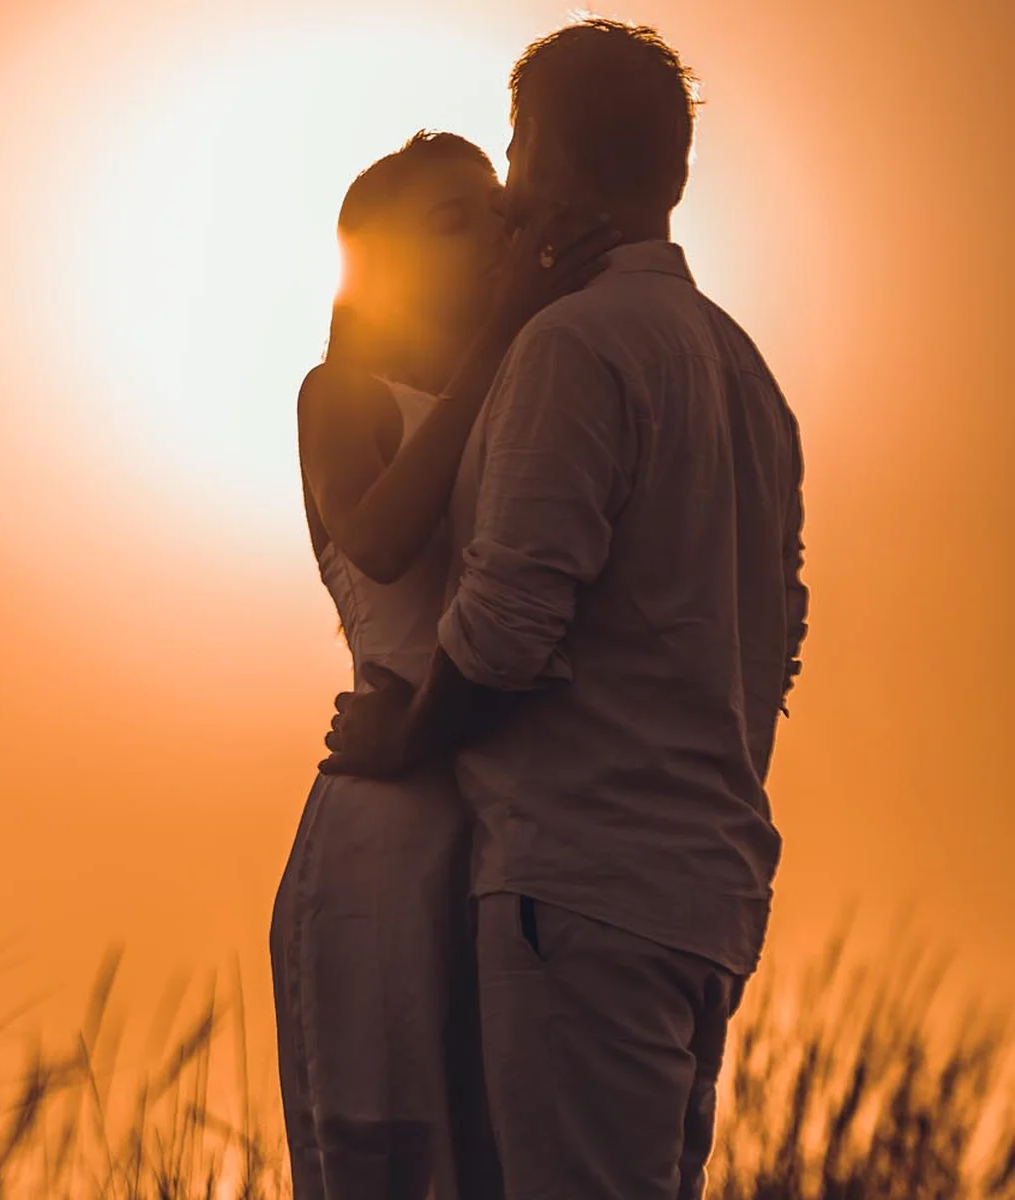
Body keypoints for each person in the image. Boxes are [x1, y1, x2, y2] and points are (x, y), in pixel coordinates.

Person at [319, 19, 810, 1200]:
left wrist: (407, 734)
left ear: (540, 150)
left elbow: (506, 625)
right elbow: (779, 635)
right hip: (708, 886)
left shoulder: (573, 346)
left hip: (580, 880)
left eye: (512, 154)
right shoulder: (747, 371)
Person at [270, 130, 617, 1200]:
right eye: (454, 220)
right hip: (390, 811)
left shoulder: (534, 398)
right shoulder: (342, 392)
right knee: (385, 1138)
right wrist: (500, 338)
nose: (493, 236)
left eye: (495, 213)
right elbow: (379, 538)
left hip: (516, 819)